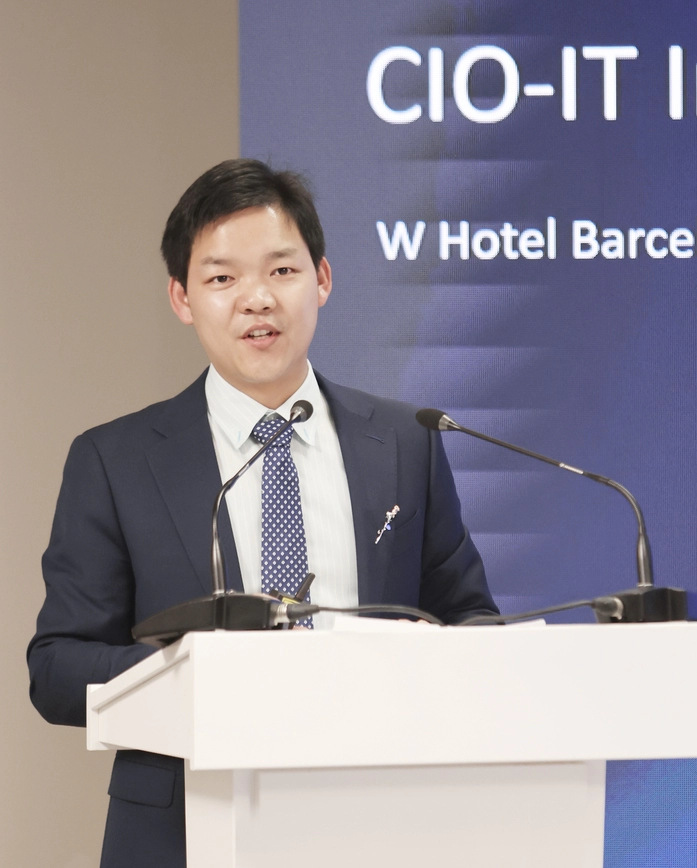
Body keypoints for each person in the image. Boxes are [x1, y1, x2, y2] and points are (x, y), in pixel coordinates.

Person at [27, 158, 497, 868]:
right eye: (222, 279)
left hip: (381, 818)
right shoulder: (115, 460)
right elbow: (58, 670)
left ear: (323, 279)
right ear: (182, 298)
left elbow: (472, 619)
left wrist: (429, 663)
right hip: (188, 827)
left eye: (282, 270)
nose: (257, 299)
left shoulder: (407, 441)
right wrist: (201, 676)